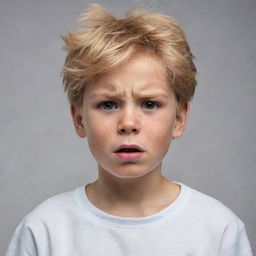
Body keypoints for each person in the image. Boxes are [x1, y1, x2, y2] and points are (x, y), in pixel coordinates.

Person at [5, 3, 253, 255]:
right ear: (79, 119)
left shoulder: (217, 229)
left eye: (149, 104)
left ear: (179, 119)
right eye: (108, 104)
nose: (128, 124)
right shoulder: (44, 231)